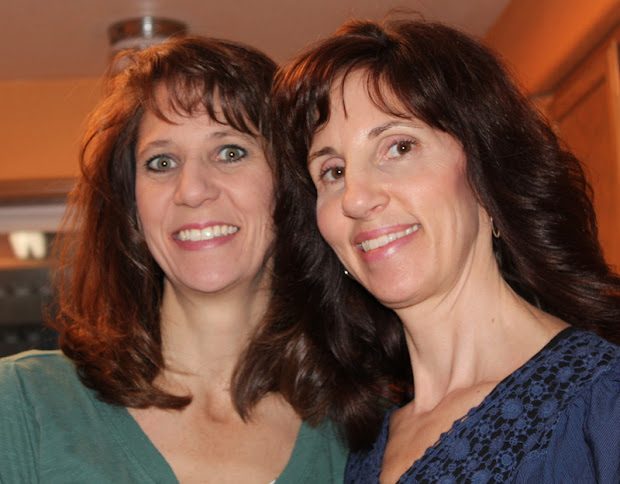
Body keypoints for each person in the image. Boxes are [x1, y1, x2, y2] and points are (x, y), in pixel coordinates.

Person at [271, 18, 620, 483]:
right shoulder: (361, 452)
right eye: (332, 171)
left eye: (399, 147)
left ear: (485, 172)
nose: (355, 197)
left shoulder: (605, 402)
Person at [0, 36, 349, 483]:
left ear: (289, 183)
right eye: (162, 162)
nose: (192, 190)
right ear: (132, 205)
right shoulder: (23, 406)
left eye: (230, 152)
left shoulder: (362, 432)